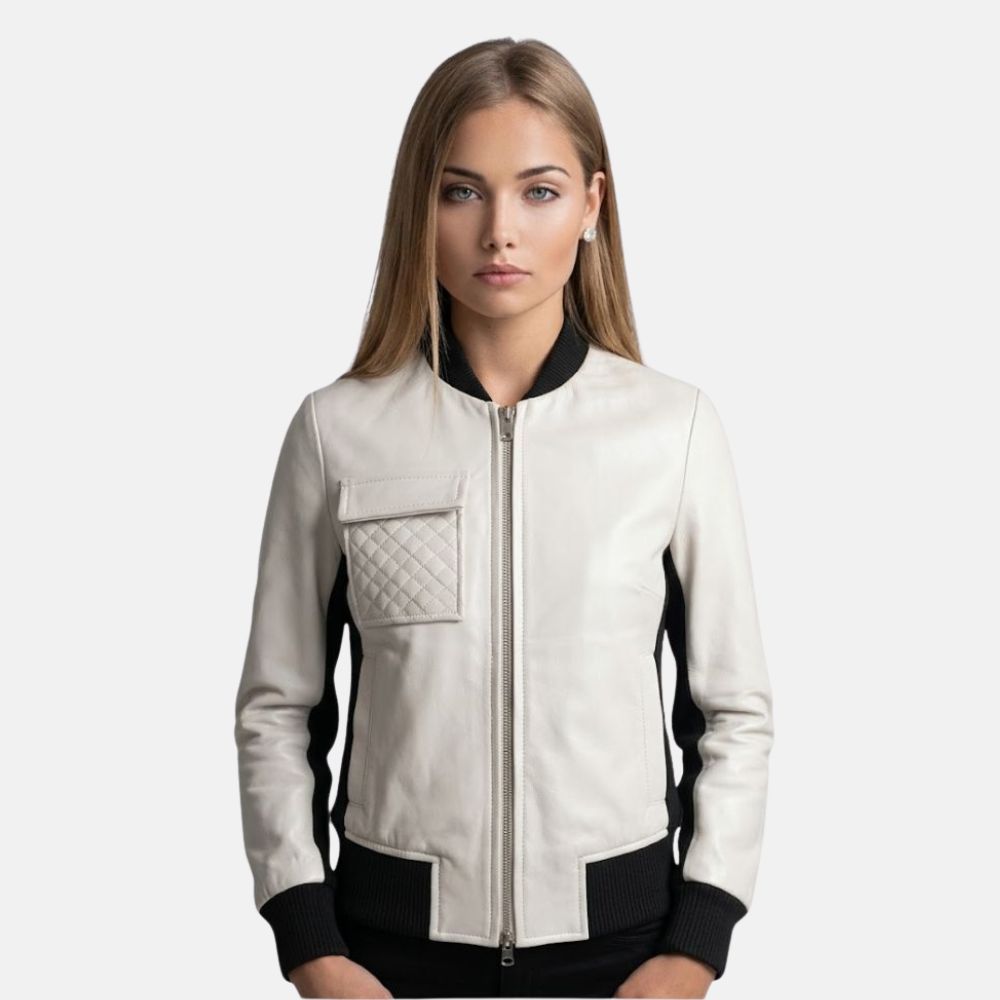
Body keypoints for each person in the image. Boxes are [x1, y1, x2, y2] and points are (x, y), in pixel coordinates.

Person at [234, 37, 774, 1000]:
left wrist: (696, 947)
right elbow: (278, 711)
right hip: (390, 956)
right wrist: (311, 947)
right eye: (461, 192)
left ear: (592, 207)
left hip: (622, 952)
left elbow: (732, 711)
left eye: (539, 192)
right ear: (420, 207)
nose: (499, 233)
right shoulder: (336, 433)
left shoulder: (673, 431)